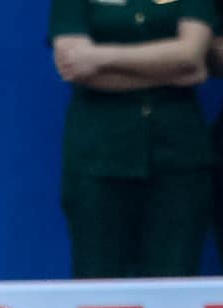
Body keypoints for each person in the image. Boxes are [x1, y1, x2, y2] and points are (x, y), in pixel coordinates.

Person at [50, 0, 215, 278]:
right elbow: (73, 65)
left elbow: (190, 56)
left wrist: (101, 57)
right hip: (98, 158)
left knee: (174, 281)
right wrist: (170, 68)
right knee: (97, 281)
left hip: (179, 156)